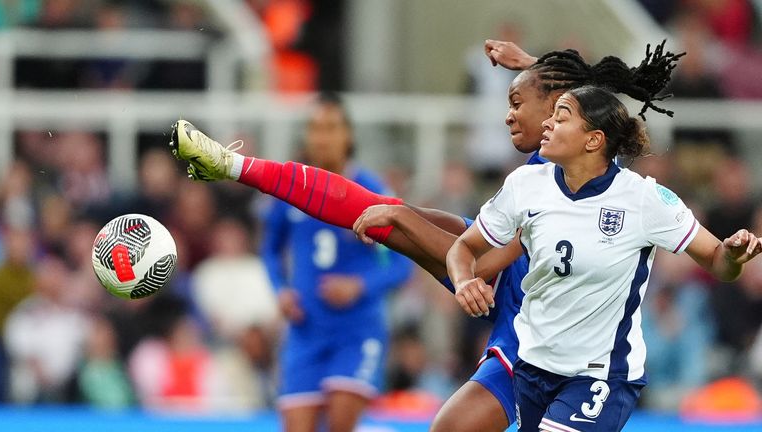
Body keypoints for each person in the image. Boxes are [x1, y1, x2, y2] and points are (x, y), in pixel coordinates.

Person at [168, 41, 684, 431]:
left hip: (561, 342)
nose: (507, 113)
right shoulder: (547, 160)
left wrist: (405, 225)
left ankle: (234, 165)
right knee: (391, 211)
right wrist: (530, 66)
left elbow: (482, 265)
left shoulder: (586, 177)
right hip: (518, 317)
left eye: (515, 101)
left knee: (389, 212)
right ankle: (232, 164)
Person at [445, 84, 762, 432]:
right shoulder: (525, 184)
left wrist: (732, 254)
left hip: (601, 375)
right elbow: (464, 247)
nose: (547, 124)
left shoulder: (644, 199)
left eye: (561, 117)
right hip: (532, 367)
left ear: (593, 140)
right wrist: (464, 281)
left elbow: (718, 260)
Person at [260, 93, 415, 431]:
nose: (322, 137)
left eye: (331, 127)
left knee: (340, 422)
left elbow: (403, 265)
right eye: (314, 128)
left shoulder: (371, 192)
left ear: (348, 136)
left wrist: (359, 286)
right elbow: (270, 251)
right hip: (305, 332)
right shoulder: (290, 189)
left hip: (357, 331)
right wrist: (281, 291)